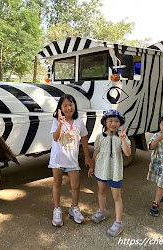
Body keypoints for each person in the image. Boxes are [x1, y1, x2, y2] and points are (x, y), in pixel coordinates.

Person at [49, 94, 92, 227]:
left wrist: (87, 157)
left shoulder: (79, 121)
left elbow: (84, 138)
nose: (69, 107)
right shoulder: (57, 121)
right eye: (65, 105)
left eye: (71, 104)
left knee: (75, 186)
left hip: (72, 160)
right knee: (57, 183)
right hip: (58, 159)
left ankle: (74, 208)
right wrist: (61, 124)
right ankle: (57, 209)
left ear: (75, 106)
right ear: (60, 108)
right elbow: (55, 138)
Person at [88, 109, 131, 237]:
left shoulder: (122, 137)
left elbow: (128, 153)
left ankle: (118, 223)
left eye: (116, 121)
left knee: (116, 197)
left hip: (115, 171)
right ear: (105, 122)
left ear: (120, 123)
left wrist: (123, 140)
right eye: (110, 121)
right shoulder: (99, 137)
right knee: (101, 191)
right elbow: (96, 151)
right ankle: (102, 211)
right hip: (101, 169)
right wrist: (92, 166)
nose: (113, 123)